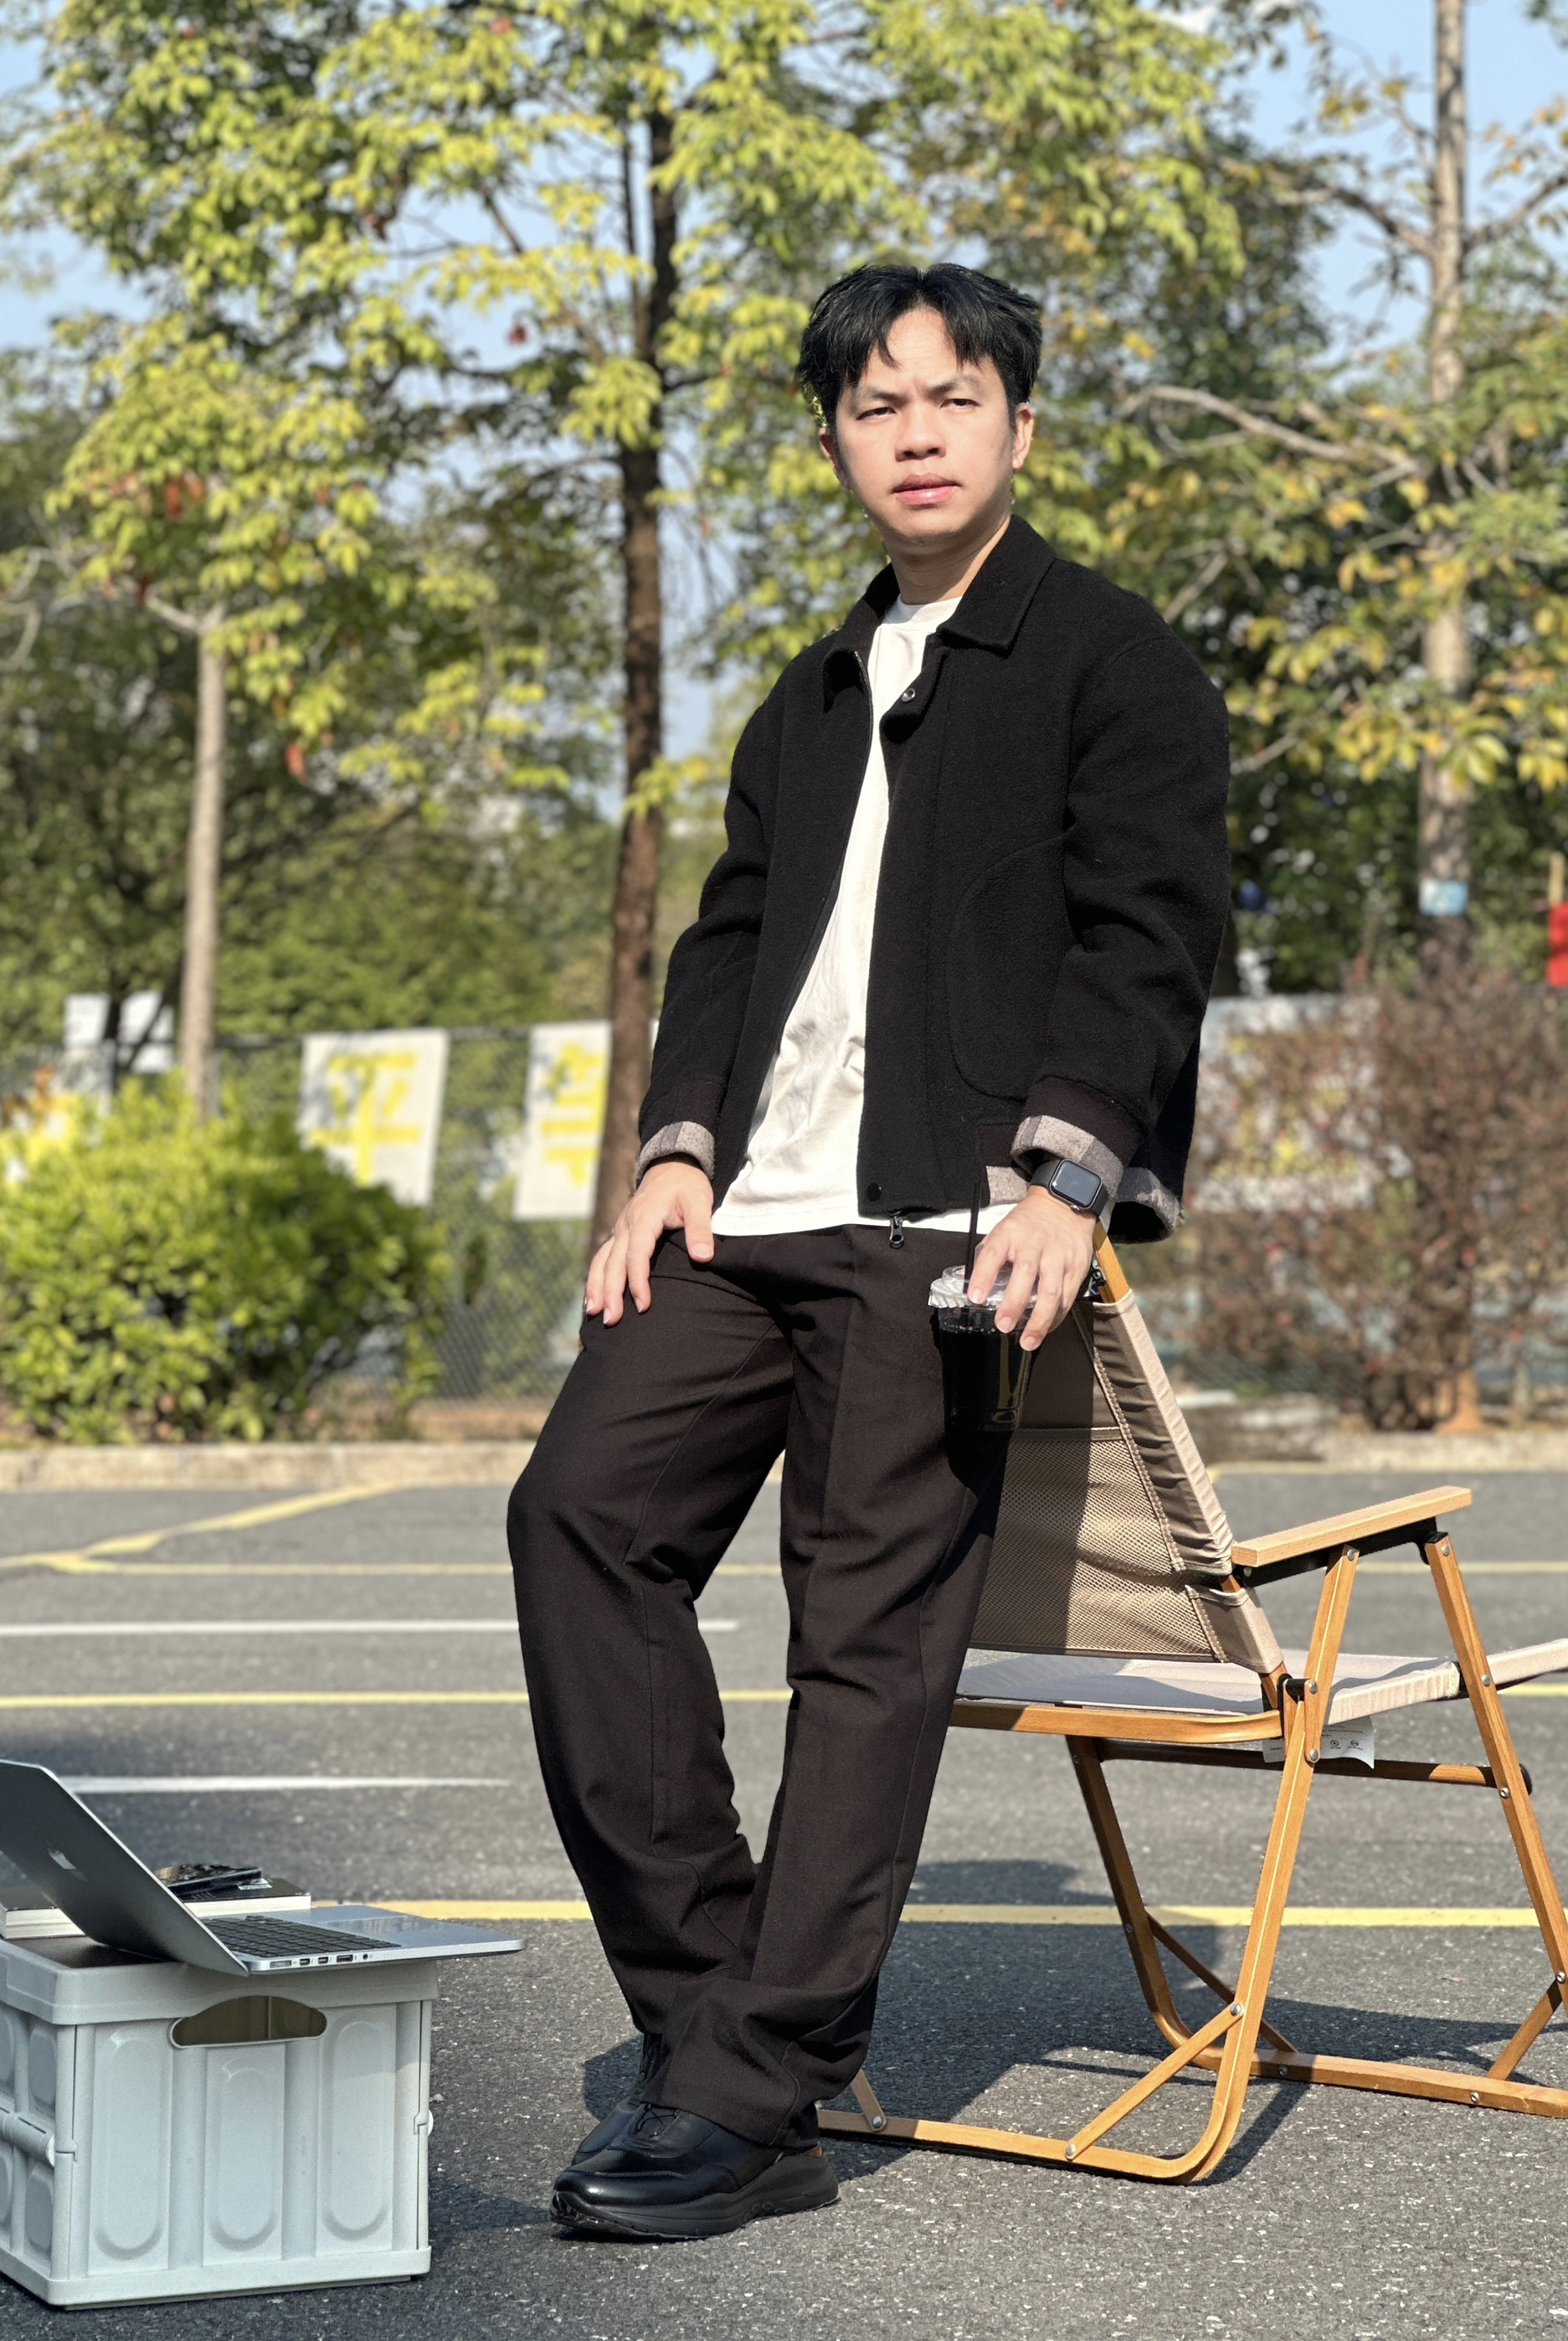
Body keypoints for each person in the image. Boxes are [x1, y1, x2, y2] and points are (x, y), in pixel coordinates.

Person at [508, 260, 1231, 2242]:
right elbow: (731, 939)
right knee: (576, 1516)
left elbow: (1151, 933)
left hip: (945, 1229)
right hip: (747, 1219)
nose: (914, 433)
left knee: (862, 1641)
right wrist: (674, 1151)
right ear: (834, 439)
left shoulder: (1111, 661)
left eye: (951, 397)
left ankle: (750, 2092)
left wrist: (1064, 1177)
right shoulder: (810, 691)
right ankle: (715, 2022)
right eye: (874, 405)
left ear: (1019, 424)